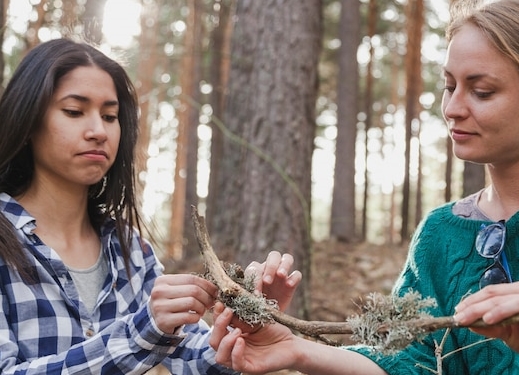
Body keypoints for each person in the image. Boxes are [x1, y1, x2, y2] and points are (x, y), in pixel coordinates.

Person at [208, 0, 519, 374]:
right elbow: (409, 360)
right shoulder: (439, 234)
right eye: (449, 86)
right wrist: (295, 349)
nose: (453, 108)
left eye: (481, 91)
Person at [0, 38, 302, 374]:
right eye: (74, 111)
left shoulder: (128, 248)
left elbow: (194, 358)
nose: (99, 131)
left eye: (110, 116)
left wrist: (245, 325)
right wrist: (141, 333)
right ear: (27, 120)